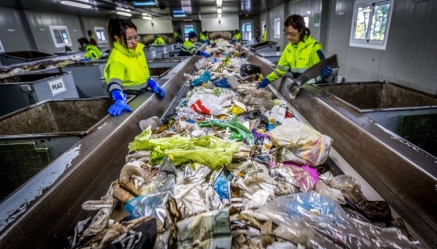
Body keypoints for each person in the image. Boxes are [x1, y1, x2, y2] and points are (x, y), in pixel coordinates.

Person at [104, 17, 165, 116]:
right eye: (128, 38)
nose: (134, 42)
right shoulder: (117, 59)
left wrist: (152, 84)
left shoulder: (137, 51)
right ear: (117, 38)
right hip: (129, 102)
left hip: (143, 95)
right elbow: (114, 83)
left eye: (135, 37)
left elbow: (142, 73)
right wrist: (119, 100)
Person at [257, 14, 332, 88]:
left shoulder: (314, 46)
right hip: (298, 85)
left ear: (301, 31)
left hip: (313, 87)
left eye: (292, 34)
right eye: (286, 34)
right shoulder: (289, 48)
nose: (289, 37)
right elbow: (280, 70)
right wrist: (267, 80)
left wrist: (324, 73)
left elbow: (321, 69)